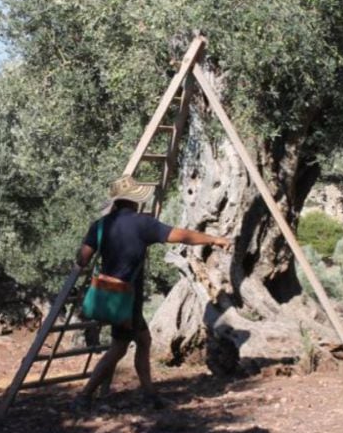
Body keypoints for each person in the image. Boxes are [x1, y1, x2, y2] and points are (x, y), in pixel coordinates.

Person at [71, 175, 231, 412]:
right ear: (135, 201)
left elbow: (82, 258)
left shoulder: (100, 225)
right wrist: (215, 240)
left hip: (109, 295)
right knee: (120, 347)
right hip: (127, 298)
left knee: (139, 342)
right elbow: (182, 235)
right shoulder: (142, 224)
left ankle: (148, 394)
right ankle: (87, 396)